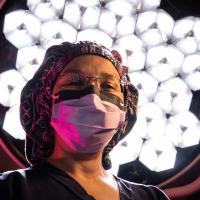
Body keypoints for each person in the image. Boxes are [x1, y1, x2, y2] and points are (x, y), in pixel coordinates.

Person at [0, 41, 169, 200]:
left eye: (108, 86)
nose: (93, 96)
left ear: (125, 109)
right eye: (74, 82)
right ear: (44, 102)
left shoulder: (151, 197)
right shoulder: (13, 188)